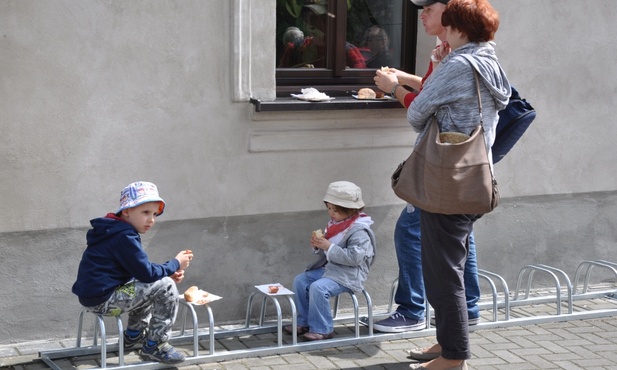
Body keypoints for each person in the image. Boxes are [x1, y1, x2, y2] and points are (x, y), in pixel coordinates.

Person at [402, 0, 510, 368]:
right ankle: (446, 342)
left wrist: (442, 65)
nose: (442, 27)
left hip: (447, 184)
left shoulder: (461, 65)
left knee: (442, 273)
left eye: (448, 23)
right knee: (453, 269)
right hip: (473, 180)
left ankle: (453, 358)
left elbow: (417, 114)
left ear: (459, 28)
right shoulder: (488, 62)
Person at [368, 0, 481, 340]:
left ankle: (413, 311)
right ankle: (468, 309)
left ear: (452, 15)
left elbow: (420, 111)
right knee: (461, 233)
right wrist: (404, 78)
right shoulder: (447, 52)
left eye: (429, 8)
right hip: (458, 160)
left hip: (447, 161)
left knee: (410, 228)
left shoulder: (458, 59)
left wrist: (394, 89)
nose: (421, 14)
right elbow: (434, 92)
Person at [71, 181, 193, 365]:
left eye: (154, 214)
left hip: (96, 297)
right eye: (145, 212)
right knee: (166, 287)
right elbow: (146, 273)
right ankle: (156, 345)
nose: (151, 219)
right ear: (126, 211)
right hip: (105, 300)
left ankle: (134, 336)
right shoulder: (124, 236)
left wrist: (164, 275)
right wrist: (175, 264)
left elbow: (139, 272)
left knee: (156, 286)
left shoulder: (113, 230)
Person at [286, 181, 376, 341]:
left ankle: (323, 328)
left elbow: (354, 258)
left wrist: (329, 246)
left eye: (336, 210)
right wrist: (318, 246)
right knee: (300, 281)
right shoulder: (334, 225)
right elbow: (327, 251)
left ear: (351, 210)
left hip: (349, 274)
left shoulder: (359, 230)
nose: (331, 213)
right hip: (330, 269)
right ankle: (304, 321)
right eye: (329, 208)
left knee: (318, 288)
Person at [278, 4, 366, 68]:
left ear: (329, 21)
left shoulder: (347, 52)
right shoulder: (294, 49)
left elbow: (360, 83)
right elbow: (280, 78)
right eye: (307, 17)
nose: (310, 23)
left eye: (316, 18)